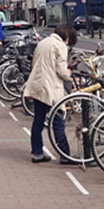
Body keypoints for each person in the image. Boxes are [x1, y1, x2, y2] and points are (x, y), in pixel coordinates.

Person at [22, 23, 78, 164]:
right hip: (51, 88)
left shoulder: (43, 42)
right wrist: (69, 73)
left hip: (38, 86)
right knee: (58, 121)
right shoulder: (60, 46)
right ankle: (65, 155)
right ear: (66, 37)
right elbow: (61, 71)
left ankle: (37, 153)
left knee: (38, 122)